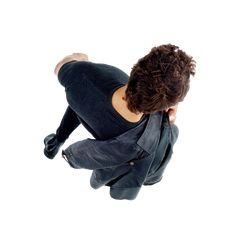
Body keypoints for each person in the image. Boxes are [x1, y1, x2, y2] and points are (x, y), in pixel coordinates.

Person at [43, 44, 195, 200]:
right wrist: (170, 103)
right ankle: (58, 140)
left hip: (82, 97)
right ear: (162, 106)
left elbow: (59, 67)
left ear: (138, 65)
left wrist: (81, 59)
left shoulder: (82, 74)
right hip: (136, 155)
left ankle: (56, 142)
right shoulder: (139, 141)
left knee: (79, 100)